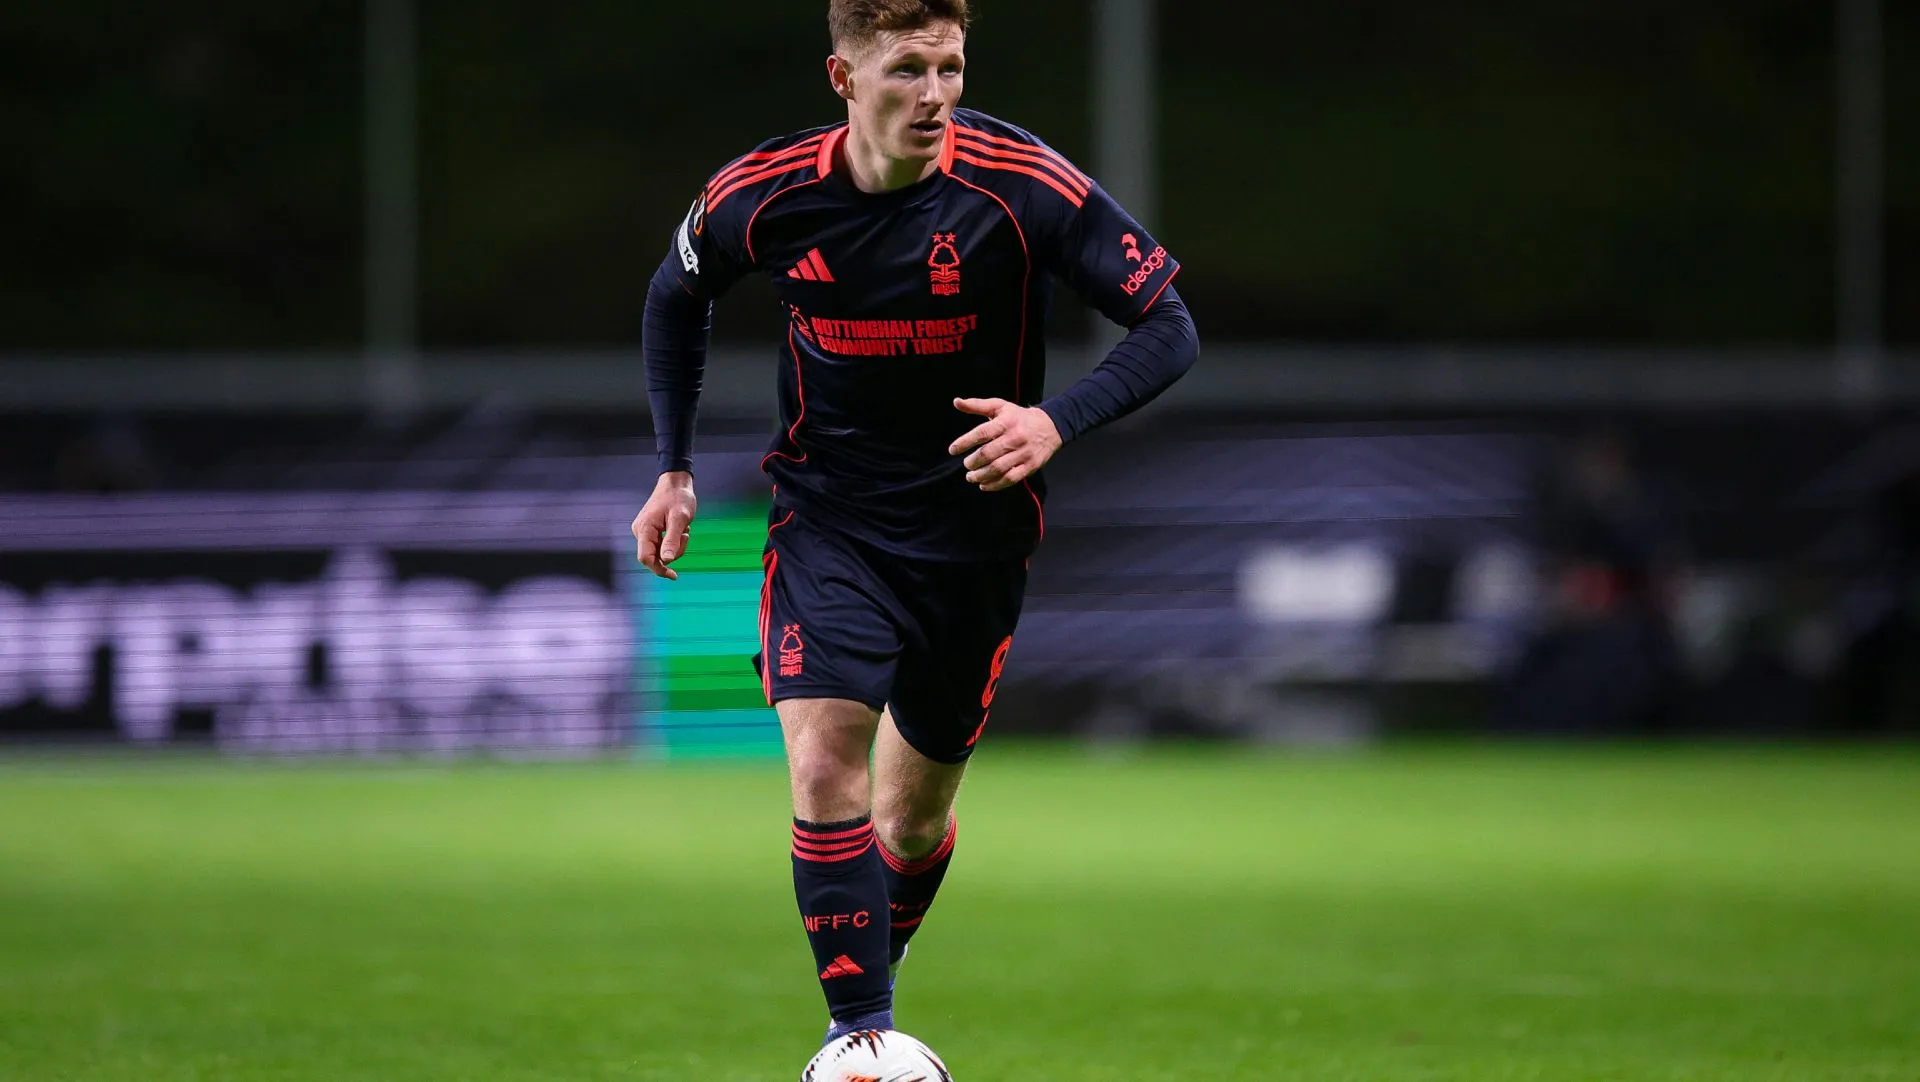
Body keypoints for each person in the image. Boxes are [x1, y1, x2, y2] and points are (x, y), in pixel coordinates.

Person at [630, 0, 1199, 1044]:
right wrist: (671, 467)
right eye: (907, 70)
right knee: (823, 763)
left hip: (971, 537)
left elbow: (1169, 322)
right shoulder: (764, 194)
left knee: (909, 818)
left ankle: (862, 1019)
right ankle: (860, 1041)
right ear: (844, 81)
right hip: (827, 518)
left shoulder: (1023, 185)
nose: (935, 94)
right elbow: (677, 294)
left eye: (951, 67)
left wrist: (1055, 419)